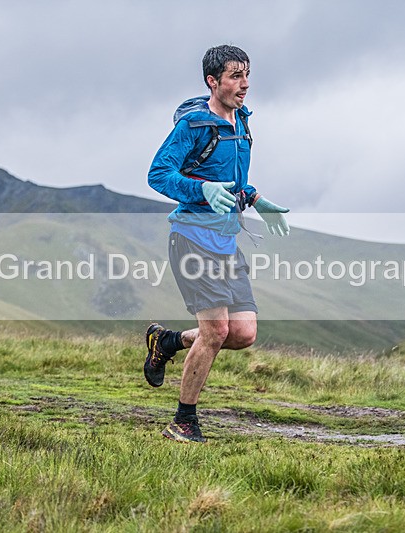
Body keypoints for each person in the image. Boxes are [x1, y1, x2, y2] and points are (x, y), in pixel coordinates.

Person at [143, 45, 290, 443]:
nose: (244, 85)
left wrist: (257, 199)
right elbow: (158, 175)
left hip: (226, 241)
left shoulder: (241, 121)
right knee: (214, 331)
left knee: (241, 333)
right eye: (235, 76)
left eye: (247, 75)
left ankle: (168, 341)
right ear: (213, 81)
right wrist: (202, 190)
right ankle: (183, 421)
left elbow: (232, 176)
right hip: (192, 238)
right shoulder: (193, 125)